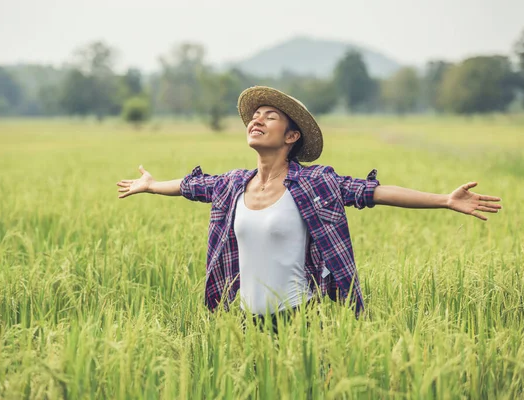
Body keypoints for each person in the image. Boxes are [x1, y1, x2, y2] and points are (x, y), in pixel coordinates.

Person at [116, 86, 502, 329]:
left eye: (270, 116)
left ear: (291, 136)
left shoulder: (316, 183)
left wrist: (444, 200)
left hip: (299, 323)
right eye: (255, 115)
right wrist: (150, 185)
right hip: (242, 324)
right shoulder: (232, 185)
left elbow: (375, 192)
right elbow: (189, 186)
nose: (257, 119)